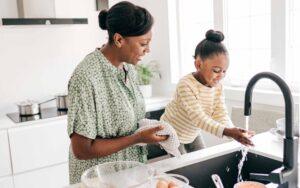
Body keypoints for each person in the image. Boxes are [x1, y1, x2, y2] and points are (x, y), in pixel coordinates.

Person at [67, 1, 167, 184]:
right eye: (143, 43)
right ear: (119, 39)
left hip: (128, 176)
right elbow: (81, 150)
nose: (148, 50)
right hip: (99, 181)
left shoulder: (128, 69)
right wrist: (137, 138)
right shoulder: (86, 77)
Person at [161, 30, 255, 154]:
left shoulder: (218, 87)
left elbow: (220, 113)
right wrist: (227, 131)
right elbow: (198, 118)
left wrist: (234, 131)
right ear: (198, 64)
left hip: (192, 133)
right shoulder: (186, 84)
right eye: (216, 70)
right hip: (171, 133)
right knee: (181, 167)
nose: (221, 76)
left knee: (202, 158)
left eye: (224, 71)